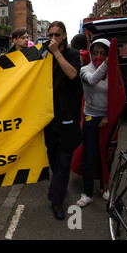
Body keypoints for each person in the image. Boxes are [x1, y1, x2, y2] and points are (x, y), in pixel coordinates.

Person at [43, 21, 83, 220]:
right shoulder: (44, 55)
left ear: (65, 36)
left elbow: (72, 74)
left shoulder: (72, 55)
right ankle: (60, 186)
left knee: (63, 159)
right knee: (52, 155)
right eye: (50, 34)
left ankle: (56, 201)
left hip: (67, 115)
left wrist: (57, 53)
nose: (53, 38)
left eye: (57, 35)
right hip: (49, 116)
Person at [77, 39, 110, 207]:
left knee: (104, 156)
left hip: (108, 119)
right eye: (95, 53)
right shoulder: (84, 70)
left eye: (103, 53)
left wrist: (109, 116)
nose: (99, 57)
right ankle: (87, 192)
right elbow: (92, 80)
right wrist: (106, 63)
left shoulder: (113, 71)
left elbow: (118, 94)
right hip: (91, 117)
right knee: (89, 156)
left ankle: (105, 188)